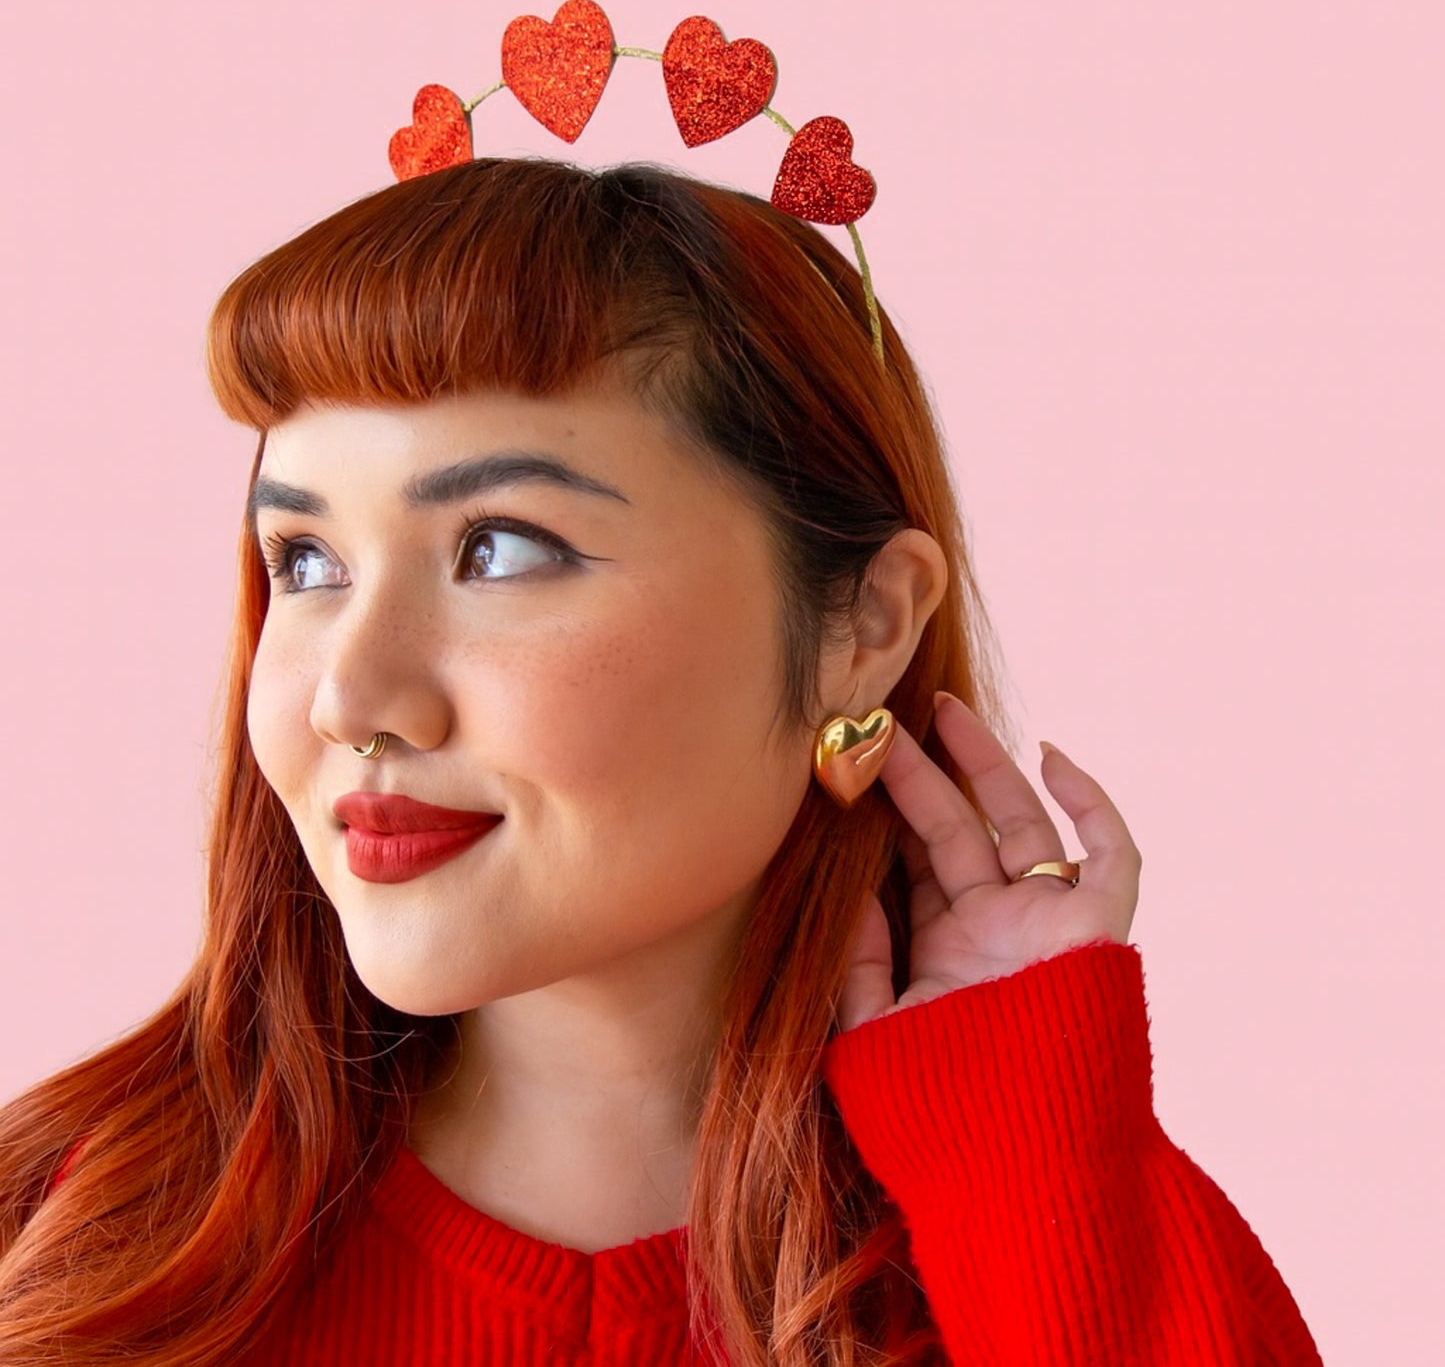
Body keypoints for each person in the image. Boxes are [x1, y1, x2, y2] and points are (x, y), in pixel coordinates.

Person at [0, 156, 1323, 1365]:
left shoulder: (1047, 1249)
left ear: (860, 627)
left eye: (501, 549)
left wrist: (1029, 1131)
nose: (351, 692)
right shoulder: (62, 1254)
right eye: (305, 562)